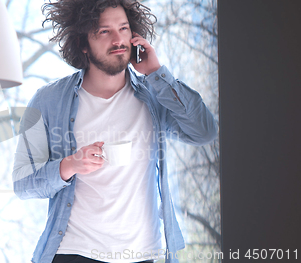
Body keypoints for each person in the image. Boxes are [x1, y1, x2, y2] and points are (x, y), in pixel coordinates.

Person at [12, 0, 218, 263]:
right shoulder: (46, 100)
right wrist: (69, 165)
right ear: (83, 44)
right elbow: (22, 183)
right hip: (74, 252)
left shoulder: (155, 97)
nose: (118, 39)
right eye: (104, 31)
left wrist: (156, 72)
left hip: (143, 254)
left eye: (123, 28)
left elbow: (204, 131)